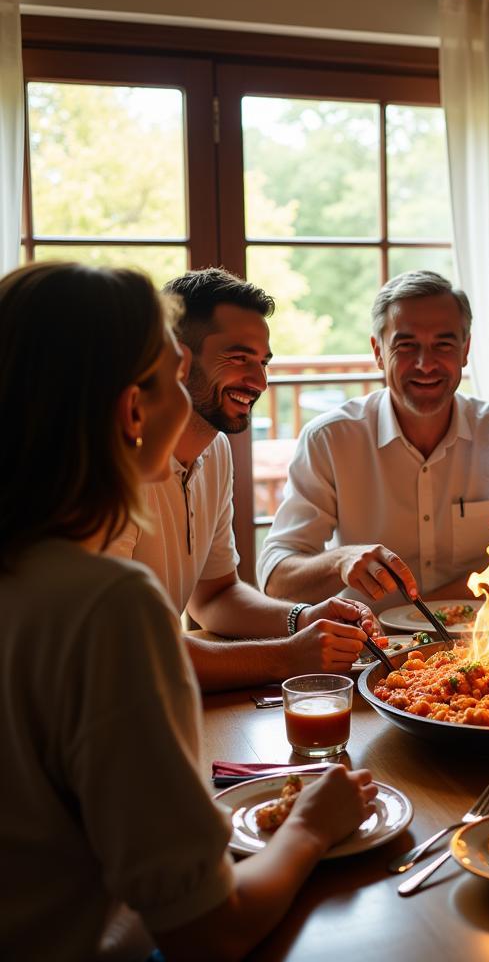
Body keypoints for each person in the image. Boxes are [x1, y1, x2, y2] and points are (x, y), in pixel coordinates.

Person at [0, 262, 378, 960]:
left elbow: (215, 594)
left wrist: (300, 620)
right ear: (131, 410)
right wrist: (311, 827)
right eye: (172, 371)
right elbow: (209, 931)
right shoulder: (105, 601)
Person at [108, 268, 375, 692]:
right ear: (176, 359)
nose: (260, 381)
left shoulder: (215, 451)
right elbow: (126, 650)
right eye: (238, 358)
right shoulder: (111, 465)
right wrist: (287, 656)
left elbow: (215, 596)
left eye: (263, 361)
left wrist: (302, 618)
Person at [258, 270, 489, 609]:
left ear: (465, 350)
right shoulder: (331, 439)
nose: (425, 364)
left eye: (443, 345)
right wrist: (340, 560)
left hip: (483, 645)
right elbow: (276, 578)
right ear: (378, 352)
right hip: (371, 646)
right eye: (406, 346)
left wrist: (428, 609)